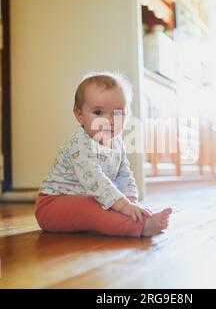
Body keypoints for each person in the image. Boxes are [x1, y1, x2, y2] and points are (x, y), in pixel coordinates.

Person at [35, 71, 172, 237]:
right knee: (95, 206)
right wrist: (123, 206)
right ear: (80, 115)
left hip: (89, 197)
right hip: (53, 205)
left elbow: (124, 175)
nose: (109, 120)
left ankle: (135, 220)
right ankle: (140, 227)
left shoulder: (117, 143)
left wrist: (131, 202)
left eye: (117, 113)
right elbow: (95, 180)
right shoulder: (80, 144)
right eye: (98, 113)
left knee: (106, 203)